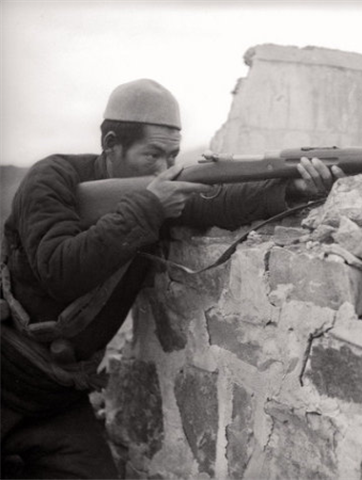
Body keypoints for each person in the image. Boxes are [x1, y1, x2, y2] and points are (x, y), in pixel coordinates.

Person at [0, 79, 343, 478]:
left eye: (172, 157)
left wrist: (294, 189)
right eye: (152, 155)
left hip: (56, 396)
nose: (164, 170)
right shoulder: (53, 177)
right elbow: (60, 271)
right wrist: (148, 206)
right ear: (111, 144)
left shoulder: (154, 194)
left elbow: (219, 200)